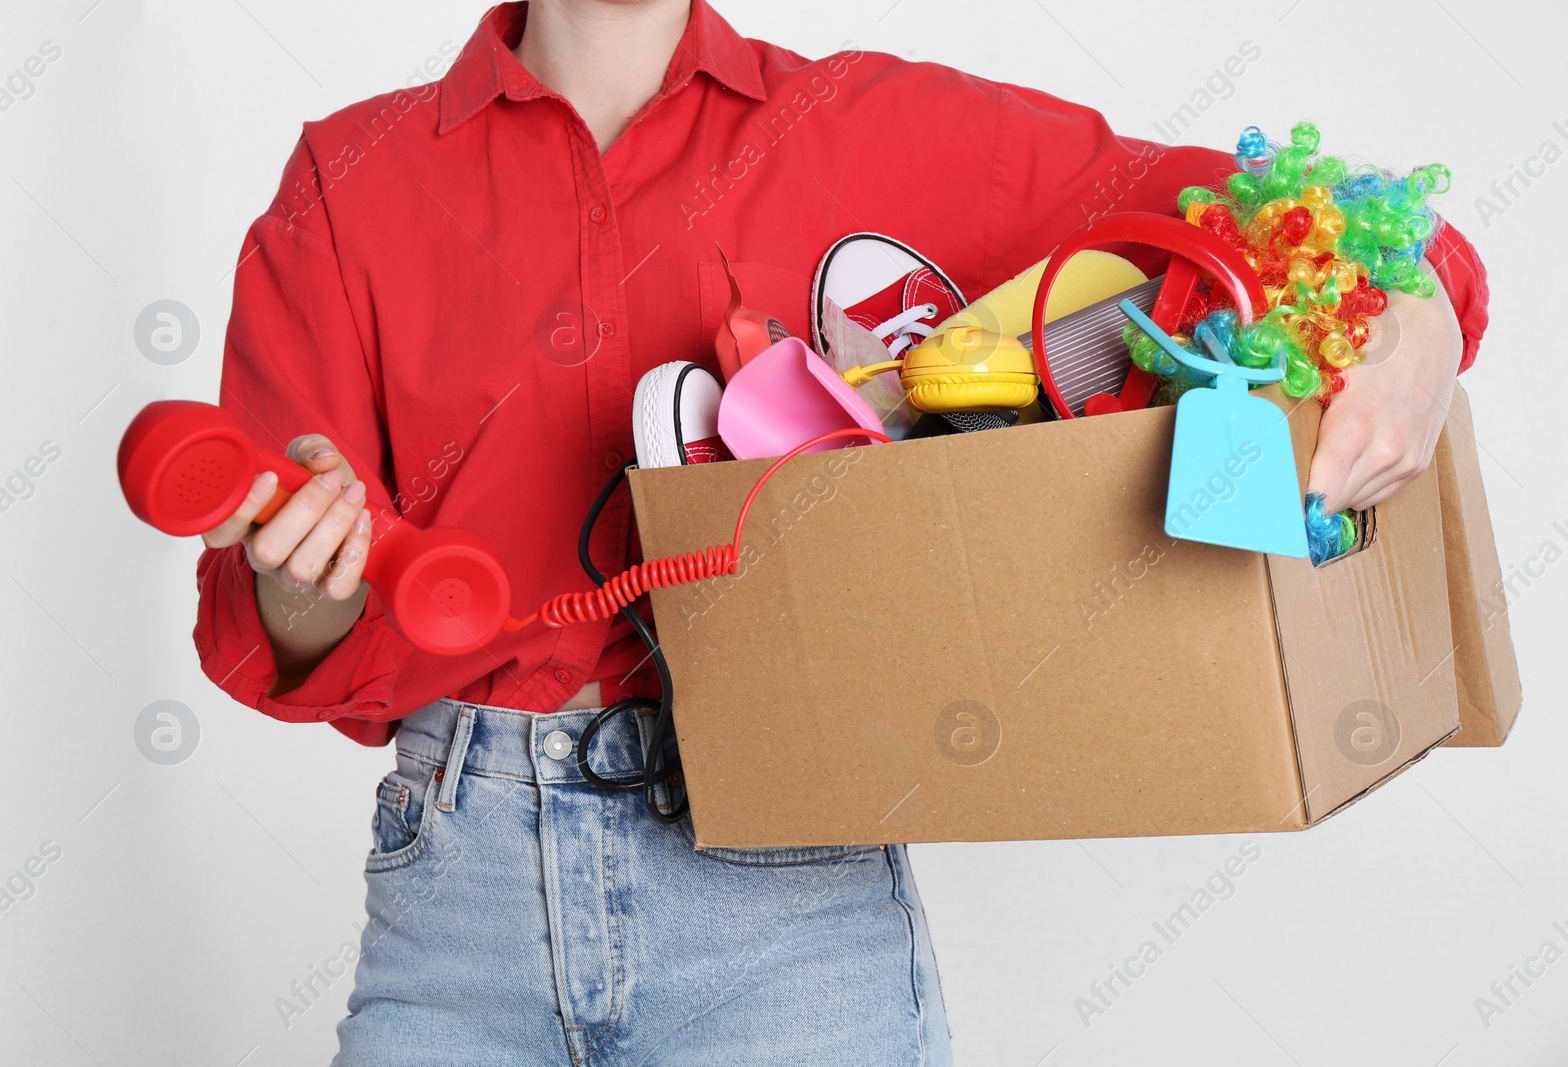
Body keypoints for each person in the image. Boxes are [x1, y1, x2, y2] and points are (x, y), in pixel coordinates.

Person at [193, 1, 1488, 1063]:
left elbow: (1301, 214)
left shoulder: (885, 125)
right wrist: (304, 576)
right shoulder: (348, 178)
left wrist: (1420, 312)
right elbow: (286, 641)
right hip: (456, 893)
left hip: (785, 898)